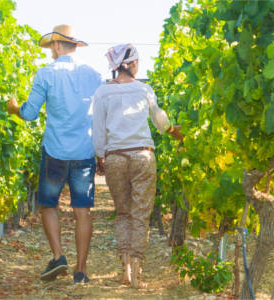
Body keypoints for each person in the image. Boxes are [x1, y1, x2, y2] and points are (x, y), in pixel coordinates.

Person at [7, 24, 103, 284]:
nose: (50, 51)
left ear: (58, 45)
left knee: (48, 205)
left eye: (51, 46)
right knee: (83, 211)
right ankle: (81, 271)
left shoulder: (45, 74)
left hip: (55, 152)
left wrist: (14, 108)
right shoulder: (94, 75)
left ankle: (59, 256)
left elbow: (29, 114)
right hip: (84, 152)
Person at [91, 44, 183, 288]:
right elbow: (159, 119)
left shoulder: (102, 93)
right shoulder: (144, 89)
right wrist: (172, 131)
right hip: (143, 156)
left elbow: (98, 130)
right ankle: (137, 275)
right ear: (130, 64)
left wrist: (100, 157)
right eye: (137, 62)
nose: (139, 65)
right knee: (141, 216)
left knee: (123, 213)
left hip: (116, 158)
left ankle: (125, 270)